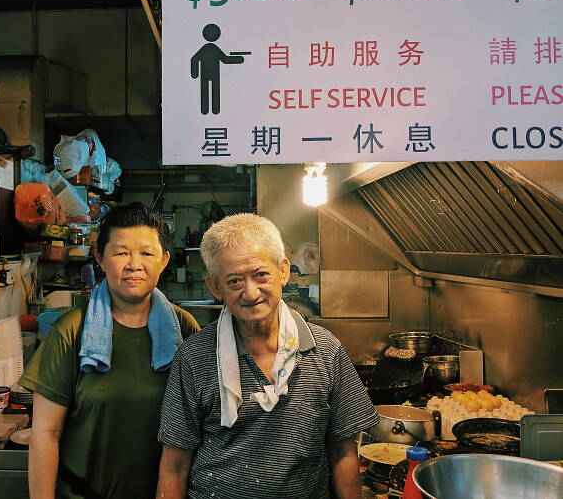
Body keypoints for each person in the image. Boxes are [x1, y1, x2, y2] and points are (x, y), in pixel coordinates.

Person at [156, 213, 379, 499]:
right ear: (215, 287)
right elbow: (174, 465)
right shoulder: (194, 357)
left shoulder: (325, 350)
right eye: (234, 281)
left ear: (283, 271)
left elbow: (343, 453)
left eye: (261, 275)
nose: (250, 293)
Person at [19, 202, 200, 499]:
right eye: (120, 252)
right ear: (100, 258)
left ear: (164, 260)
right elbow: (45, 433)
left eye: (146, 253)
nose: (134, 264)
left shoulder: (183, 328)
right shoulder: (72, 331)